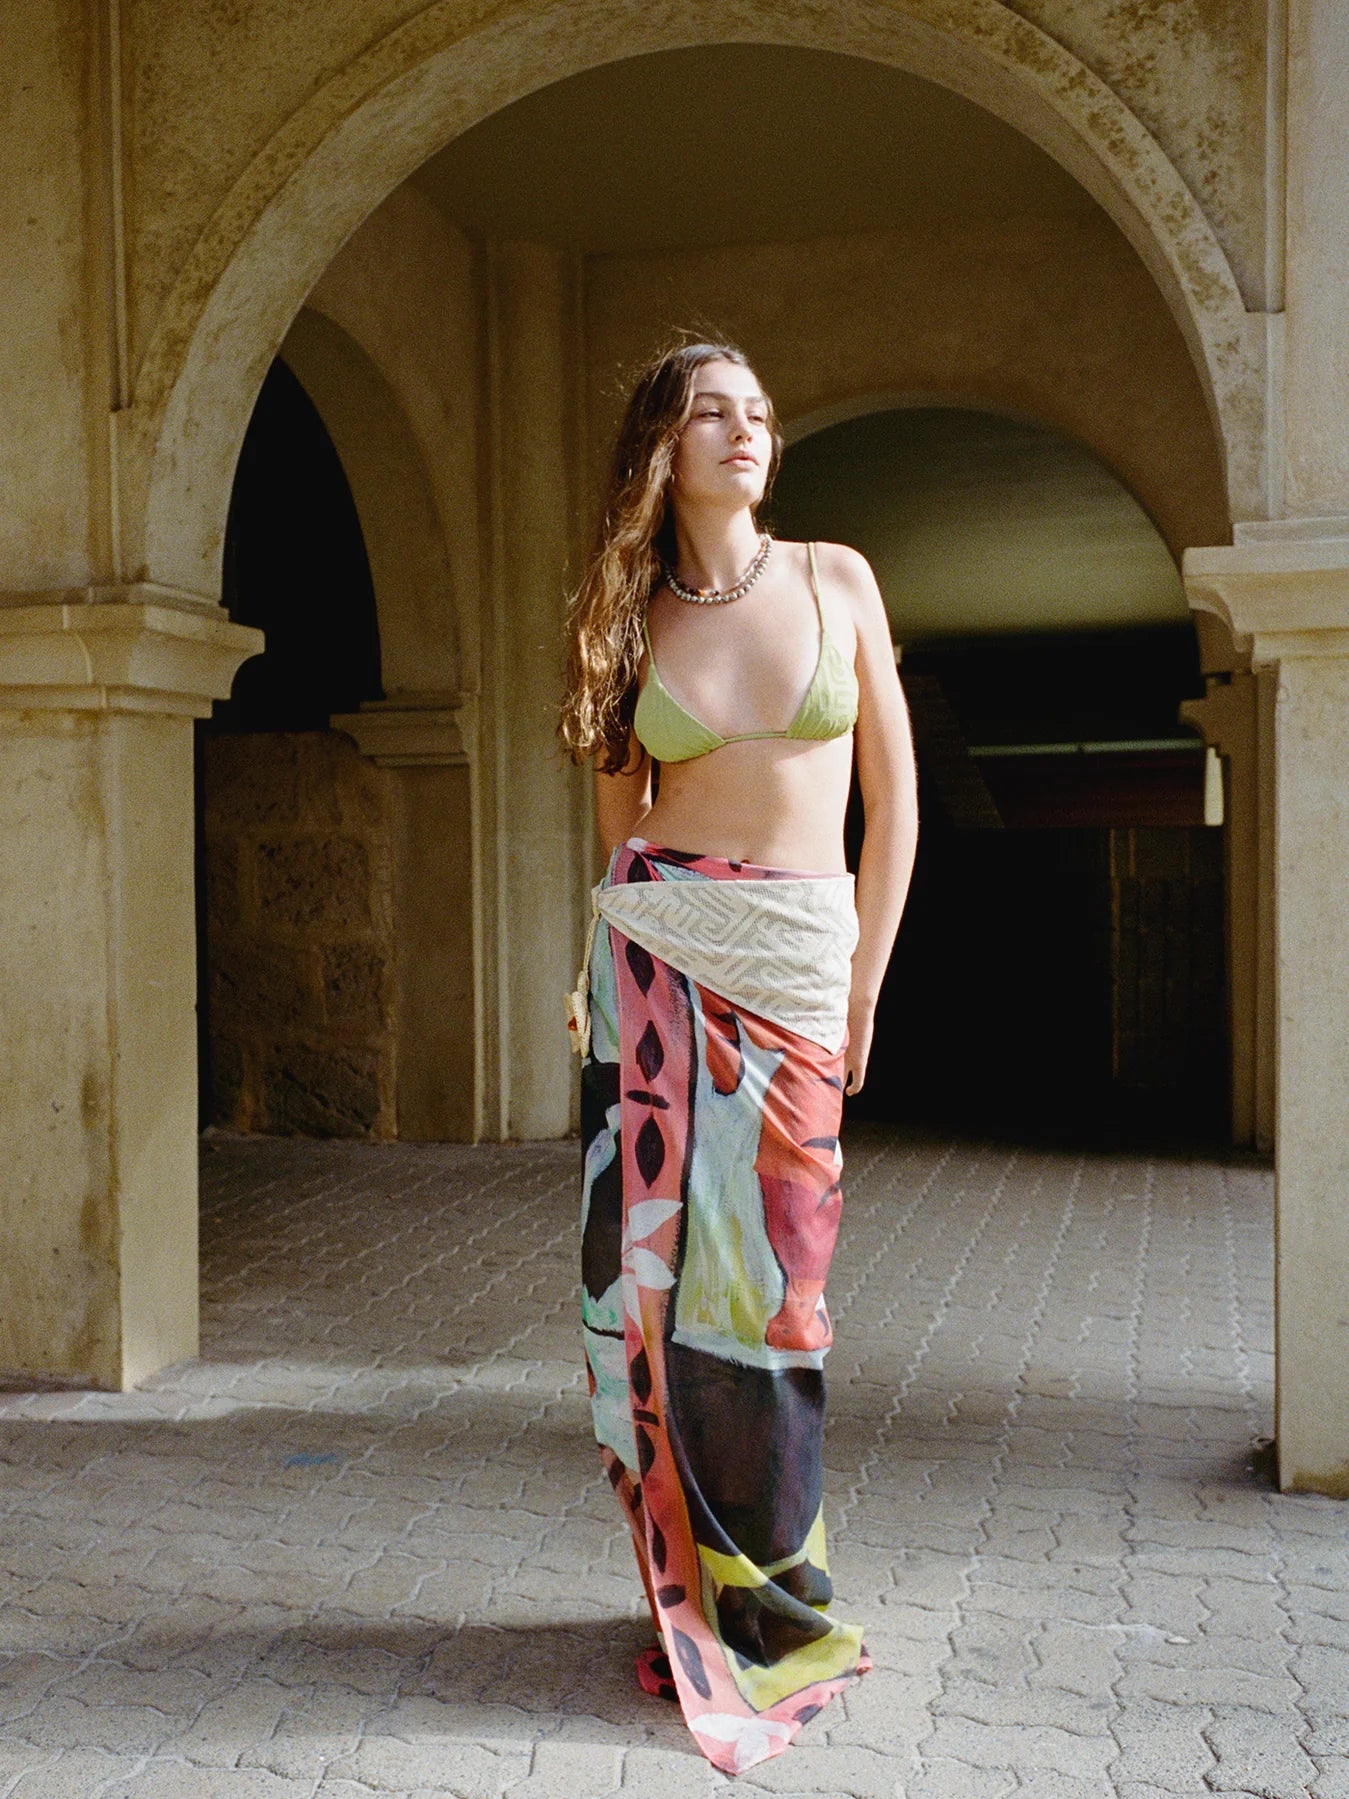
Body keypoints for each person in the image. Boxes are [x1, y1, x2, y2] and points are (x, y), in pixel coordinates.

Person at [558, 338, 918, 1775]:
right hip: (656, 967)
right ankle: (697, 1591)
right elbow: (613, 833)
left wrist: (862, 997)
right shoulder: (623, 618)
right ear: (661, 441)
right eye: (712, 411)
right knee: (647, 1312)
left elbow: (888, 814)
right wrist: (608, 973)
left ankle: (777, 1604)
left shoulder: (836, 577)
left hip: (795, 978)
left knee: (778, 1307)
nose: (745, 431)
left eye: (760, 411)